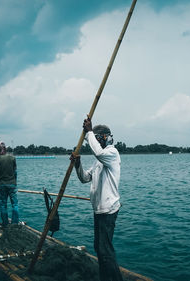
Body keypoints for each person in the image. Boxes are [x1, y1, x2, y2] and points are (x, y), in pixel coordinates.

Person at [70, 116, 123, 281]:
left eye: (98, 138)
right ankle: (105, 277)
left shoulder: (111, 153)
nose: (96, 141)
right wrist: (77, 165)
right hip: (98, 209)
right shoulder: (99, 161)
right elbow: (85, 178)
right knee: (99, 248)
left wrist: (89, 132)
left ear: (104, 138)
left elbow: (99, 152)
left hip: (109, 209)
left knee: (105, 249)